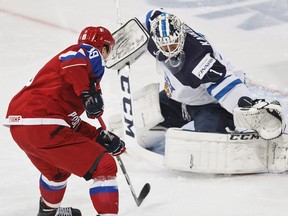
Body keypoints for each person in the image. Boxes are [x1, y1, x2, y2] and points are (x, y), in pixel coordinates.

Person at [4, 26, 126, 216]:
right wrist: (86, 93)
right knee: (105, 165)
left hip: (21, 125)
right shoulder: (86, 52)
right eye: (107, 50)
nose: (107, 56)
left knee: (57, 173)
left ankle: (48, 213)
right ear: (102, 47)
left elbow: (71, 121)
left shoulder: (63, 85)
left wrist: (98, 136)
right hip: (42, 120)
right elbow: (72, 58)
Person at [143, 9, 281, 134]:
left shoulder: (197, 59)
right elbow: (153, 15)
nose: (169, 50)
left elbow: (224, 85)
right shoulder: (160, 32)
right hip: (180, 101)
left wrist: (246, 110)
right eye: (164, 46)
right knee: (143, 112)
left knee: (208, 135)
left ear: (181, 35)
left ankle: (228, 120)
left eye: (173, 44)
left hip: (211, 104)